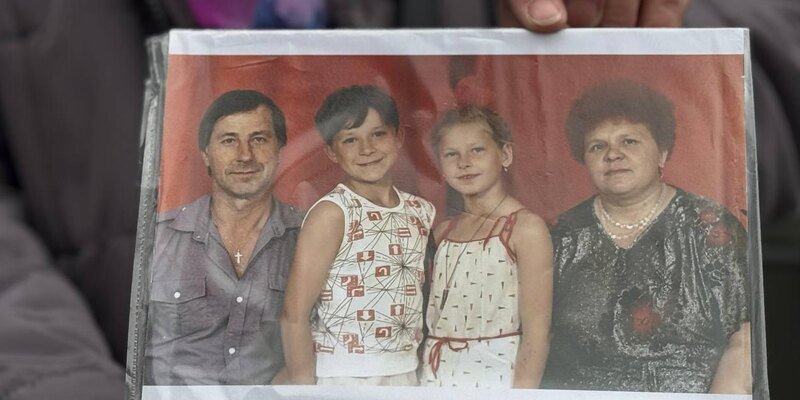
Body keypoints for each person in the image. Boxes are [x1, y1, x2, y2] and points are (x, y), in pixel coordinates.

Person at [541, 80, 751, 393]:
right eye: (597, 146)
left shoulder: (710, 227)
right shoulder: (560, 235)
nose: (613, 155)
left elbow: (744, 341)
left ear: (662, 153)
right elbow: (532, 340)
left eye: (629, 141)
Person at [144, 90, 303, 385]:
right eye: (229, 140)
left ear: (281, 149)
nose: (245, 155)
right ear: (205, 154)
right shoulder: (157, 237)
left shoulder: (310, 237)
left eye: (259, 139)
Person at [280, 85, 435, 386]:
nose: (367, 149)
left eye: (378, 134)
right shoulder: (333, 213)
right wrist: (304, 392)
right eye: (350, 139)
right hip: (344, 376)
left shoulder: (422, 211)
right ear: (331, 151)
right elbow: (294, 314)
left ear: (398, 137)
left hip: (406, 371)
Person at [420, 105, 553, 388]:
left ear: (505, 155)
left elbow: (537, 336)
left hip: (496, 373)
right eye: (451, 154)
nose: (464, 163)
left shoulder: (524, 228)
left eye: (477, 150)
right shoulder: (443, 232)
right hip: (436, 373)